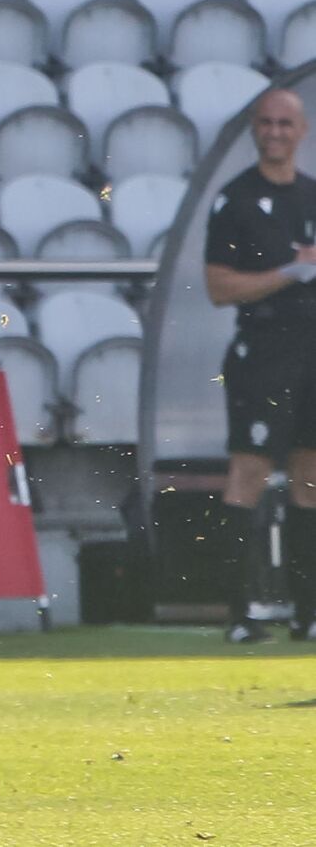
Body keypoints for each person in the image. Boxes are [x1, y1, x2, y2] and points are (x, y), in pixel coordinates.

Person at [203, 88, 316, 644]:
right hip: (262, 353)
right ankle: (240, 614)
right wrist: (286, 274)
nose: (274, 132)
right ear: (254, 129)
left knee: (310, 478)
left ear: (302, 130)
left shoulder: (313, 196)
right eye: (265, 123)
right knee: (247, 473)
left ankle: (308, 613)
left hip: (313, 350)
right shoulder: (236, 199)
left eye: (284, 123)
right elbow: (218, 286)